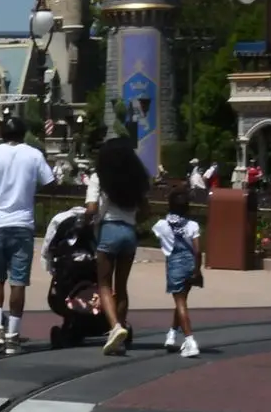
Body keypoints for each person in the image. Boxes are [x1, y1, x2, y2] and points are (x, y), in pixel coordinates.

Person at [0, 116, 53, 354]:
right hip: (22, 223)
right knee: (18, 281)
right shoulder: (33, 155)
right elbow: (50, 183)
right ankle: (13, 335)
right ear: (23, 133)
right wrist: (29, 188)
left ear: (2, 134)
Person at [87, 136, 151, 355]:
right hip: (129, 233)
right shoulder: (135, 180)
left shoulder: (100, 177)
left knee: (104, 284)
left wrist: (84, 221)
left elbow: (92, 208)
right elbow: (146, 211)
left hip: (108, 231)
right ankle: (121, 333)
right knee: (121, 286)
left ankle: (114, 327)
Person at [153, 185, 203, 357]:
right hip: (191, 264)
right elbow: (197, 251)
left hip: (174, 265)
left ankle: (190, 340)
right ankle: (172, 334)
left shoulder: (161, 225)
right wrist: (197, 270)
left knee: (180, 302)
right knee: (182, 299)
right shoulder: (193, 225)